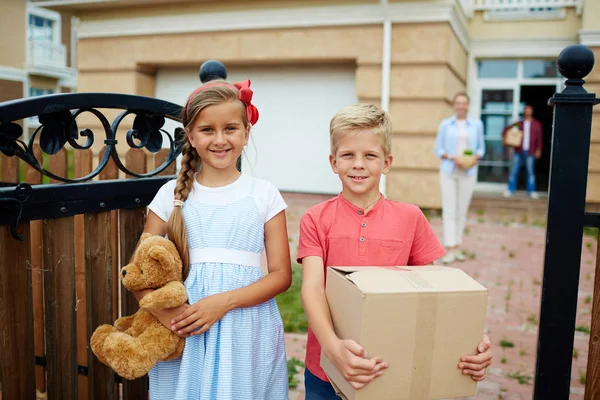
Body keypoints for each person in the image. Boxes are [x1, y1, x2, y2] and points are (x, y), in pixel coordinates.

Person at [298, 103, 492, 399]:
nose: (359, 164)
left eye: (370, 155)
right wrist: (333, 348)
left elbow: (439, 293)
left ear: (387, 162)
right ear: (333, 161)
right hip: (327, 369)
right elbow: (312, 288)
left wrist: (473, 340)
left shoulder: (411, 217)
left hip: (392, 370)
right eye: (348, 154)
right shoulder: (315, 219)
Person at [131, 80, 291, 399]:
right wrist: (168, 316)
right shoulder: (169, 196)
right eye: (207, 130)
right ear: (190, 136)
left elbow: (282, 275)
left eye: (230, 128)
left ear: (246, 133)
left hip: (245, 326)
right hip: (185, 326)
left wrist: (223, 302)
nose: (220, 139)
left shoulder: (264, 195)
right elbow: (138, 273)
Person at [434, 92, 485, 265]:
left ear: (468, 105)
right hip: (449, 170)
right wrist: (451, 157)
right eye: (458, 103)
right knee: (449, 210)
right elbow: (438, 149)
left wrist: (475, 158)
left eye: (464, 103)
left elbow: (481, 148)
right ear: (454, 105)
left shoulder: (477, 125)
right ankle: (450, 248)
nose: (461, 106)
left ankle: (457, 246)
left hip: (468, 172)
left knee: (461, 211)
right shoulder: (445, 125)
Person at [502, 104, 543, 199]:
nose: (528, 112)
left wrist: (539, 149)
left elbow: (539, 139)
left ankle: (531, 191)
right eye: (526, 110)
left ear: (532, 112)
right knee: (514, 171)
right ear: (524, 112)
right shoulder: (519, 123)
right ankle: (510, 190)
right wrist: (505, 138)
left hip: (531, 151)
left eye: (529, 110)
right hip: (518, 151)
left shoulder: (537, 124)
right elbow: (506, 129)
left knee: (530, 172)